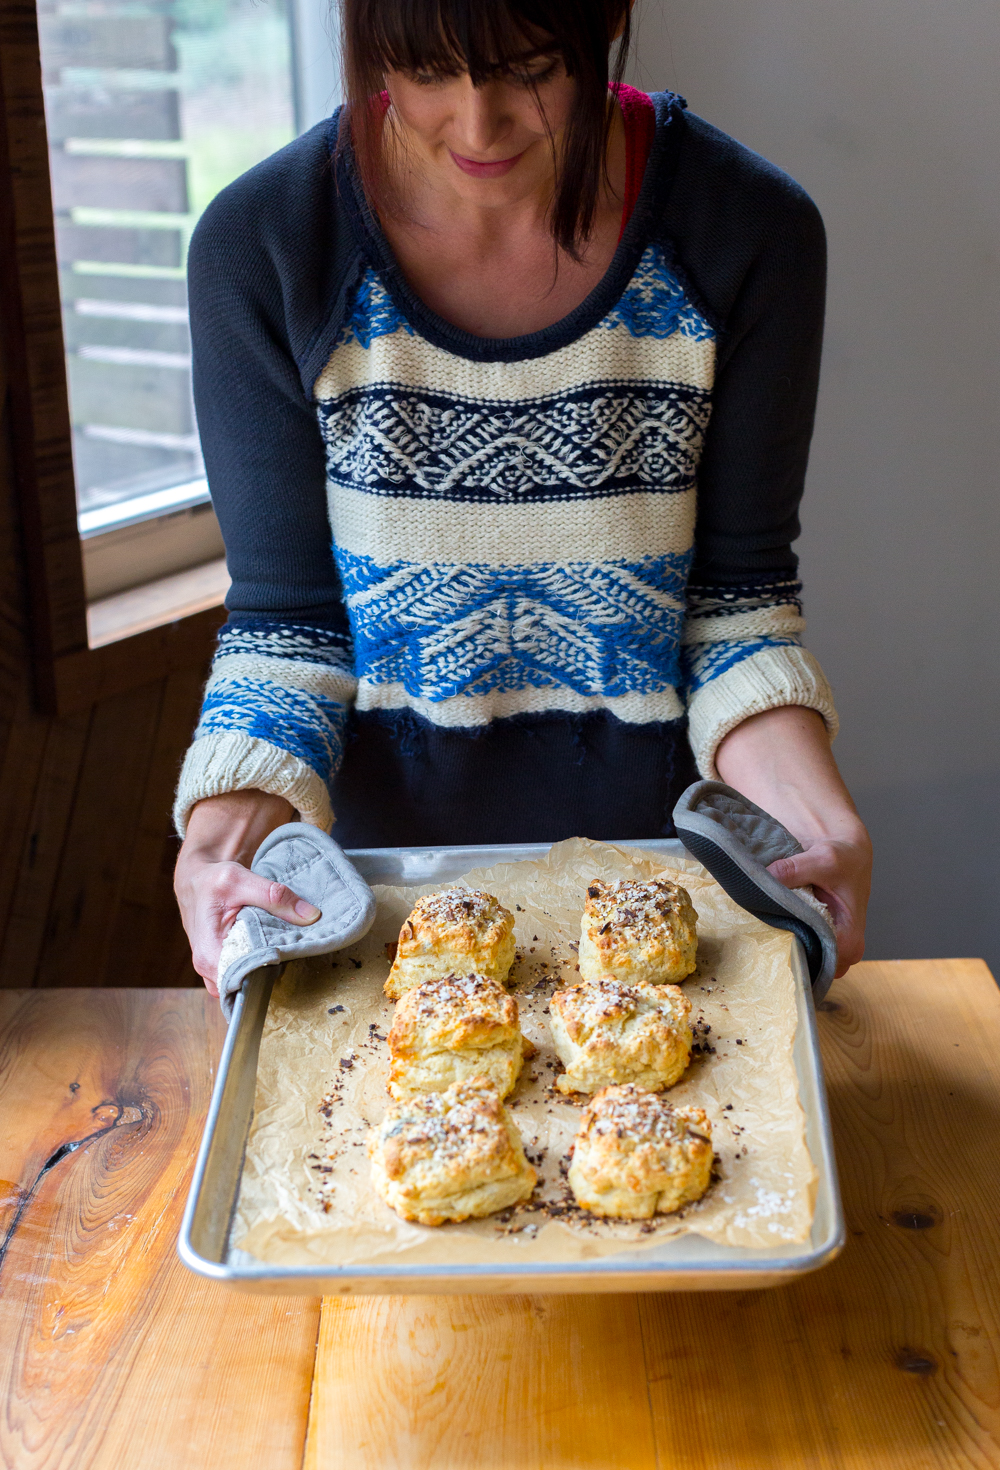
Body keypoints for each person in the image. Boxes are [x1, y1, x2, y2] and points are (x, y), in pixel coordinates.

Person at [173, 0, 872, 999]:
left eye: (530, 68)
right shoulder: (268, 244)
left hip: (661, 898)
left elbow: (734, 612)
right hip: (380, 913)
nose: (477, 123)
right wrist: (218, 844)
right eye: (424, 71)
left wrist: (821, 822)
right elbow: (290, 631)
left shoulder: (745, 232)